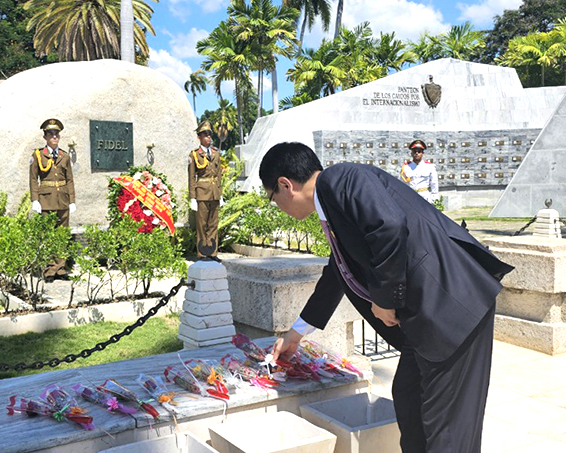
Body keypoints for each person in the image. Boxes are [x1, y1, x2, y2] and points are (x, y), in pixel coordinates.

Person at [261, 142, 513, 453]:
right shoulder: (333, 205)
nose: (278, 207)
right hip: (424, 324)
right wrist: (296, 334)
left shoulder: (342, 180)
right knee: (409, 403)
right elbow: (337, 272)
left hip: (451, 310)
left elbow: (389, 227)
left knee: (448, 433)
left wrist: (384, 299)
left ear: (286, 185)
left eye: (274, 199)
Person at [29, 118, 76, 281]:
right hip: (46, 201)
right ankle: (50, 270)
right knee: (49, 235)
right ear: (45, 137)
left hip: (63, 200)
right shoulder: (38, 155)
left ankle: (61, 268)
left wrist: (72, 201)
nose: (54, 136)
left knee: (62, 235)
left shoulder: (64, 156)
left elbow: (69, 179)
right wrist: (35, 199)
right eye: (51, 134)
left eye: (57, 134)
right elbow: (34, 179)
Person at [188, 121, 224, 256]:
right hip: (202, 193)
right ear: (199, 137)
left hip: (214, 193)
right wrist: (192, 197)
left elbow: (219, 175)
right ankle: (202, 253)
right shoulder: (194, 155)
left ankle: (213, 253)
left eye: (209, 134)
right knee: (202, 225)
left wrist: (220, 194)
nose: (209, 137)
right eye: (205, 135)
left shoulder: (216, 153)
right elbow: (191, 177)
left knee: (213, 224)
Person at [399, 139, 439, 204]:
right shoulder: (406, 167)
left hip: (425, 197)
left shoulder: (430, 167)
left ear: (422, 153)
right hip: (410, 198)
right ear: (411, 153)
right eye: (414, 151)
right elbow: (401, 184)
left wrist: (435, 200)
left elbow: (434, 184)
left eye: (419, 151)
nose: (416, 153)